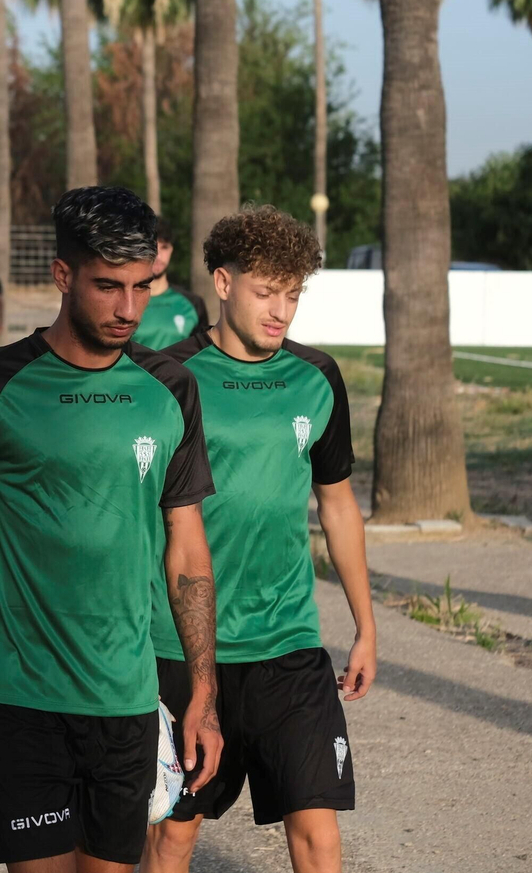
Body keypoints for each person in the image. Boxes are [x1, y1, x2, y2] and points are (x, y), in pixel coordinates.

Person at [0, 186, 224, 873]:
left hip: (125, 697)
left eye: (141, 287)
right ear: (63, 276)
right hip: (20, 696)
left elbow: (188, 554)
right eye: (108, 287)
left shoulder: (170, 389)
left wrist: (204, 694)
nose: (129, 309)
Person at [143, 206, 376, 873]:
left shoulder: (317, 377)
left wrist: (365, 626)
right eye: (266, 291)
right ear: (223, 283)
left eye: (293, 294)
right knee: (175, 834)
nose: (281, 311)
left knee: (318, 832)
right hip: (184, 645)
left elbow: (337, 505)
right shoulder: (168, 377)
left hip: (288, 643)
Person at [132, 217, 209, 350]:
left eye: (164, 247)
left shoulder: (193, 304)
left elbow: (202, 356)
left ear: (171, 249)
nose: (158, 256)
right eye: (152, 247)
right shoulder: (125, 302)